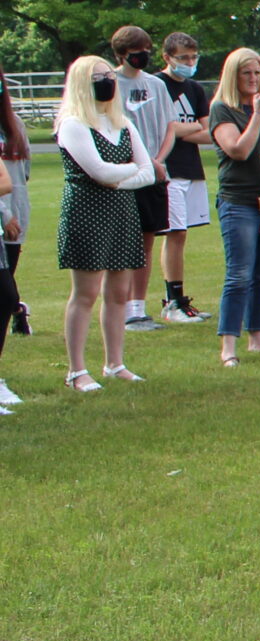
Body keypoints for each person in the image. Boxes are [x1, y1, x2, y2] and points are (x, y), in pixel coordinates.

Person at [53, 56, 157, 391]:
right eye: (98, 77)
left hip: (122, 211)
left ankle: (116, 363)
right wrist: (129, 170)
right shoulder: (72, 124)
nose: (106, 82)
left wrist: (120, 178)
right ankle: (76, 370)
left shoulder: (122, 123)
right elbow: (99, 171)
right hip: (86, 212)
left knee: (119, 292)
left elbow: (149, 172)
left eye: (108, 75)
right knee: (85, 293)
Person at [204, 47, 260, 367]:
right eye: (247, 74)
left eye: (258, 74)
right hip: (238, 202)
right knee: (239, 274)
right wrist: (256, 114)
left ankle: (258, 340)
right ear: (233, 76)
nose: (254, 80)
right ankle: (228, 347)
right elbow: (238, 150)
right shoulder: (222, 110)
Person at [105, 26, 173, 337]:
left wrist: (157, 160)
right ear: (121, 55)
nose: (142, 56)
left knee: (146, 241)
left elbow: (169, 126)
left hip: (154, 174)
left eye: (146, 49)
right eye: (136, 52)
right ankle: (117, 307)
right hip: (124, 175)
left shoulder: (156, 85)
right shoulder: (110, 83)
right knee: (120, 244)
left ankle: (137, 308)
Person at [154, 31, 214, 324]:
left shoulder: (195, 89)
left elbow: (209, 133)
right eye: (183, 58)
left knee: (184, 233)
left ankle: (180, 299)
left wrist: (179, 129)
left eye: (193, 57)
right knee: (174, 233)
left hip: (192, 169)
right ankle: (172, 300)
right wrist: (176, 129)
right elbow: (162, 129)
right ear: (167, 58)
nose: (189, 63)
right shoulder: (157, 85)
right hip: (169, 169)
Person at [0, 70, 28, 409]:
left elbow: (14, 179)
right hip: (5, 218)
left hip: (13, 221)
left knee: (6, 299)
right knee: (6, 295)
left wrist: (16, 214)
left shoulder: (13, 124)